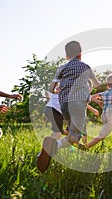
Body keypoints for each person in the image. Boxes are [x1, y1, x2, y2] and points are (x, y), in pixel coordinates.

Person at [37, 41, 100, 173]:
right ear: (80, 54)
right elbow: (97, 84)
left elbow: (51, 88)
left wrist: (57, 91)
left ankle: (47, 150)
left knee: (71, 129)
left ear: (66, 56)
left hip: (64, 104)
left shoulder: (62, 68)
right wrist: (90, 88)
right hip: (78, 103)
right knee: (75, 137)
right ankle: (54, 146)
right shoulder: (85, 67)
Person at [85, 75, 112, 149]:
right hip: (111, 114)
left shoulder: (105, 93)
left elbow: (91, 97)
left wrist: (98, 102)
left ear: (107, 84)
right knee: (102, 135)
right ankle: (86, 147)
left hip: (104, 115)